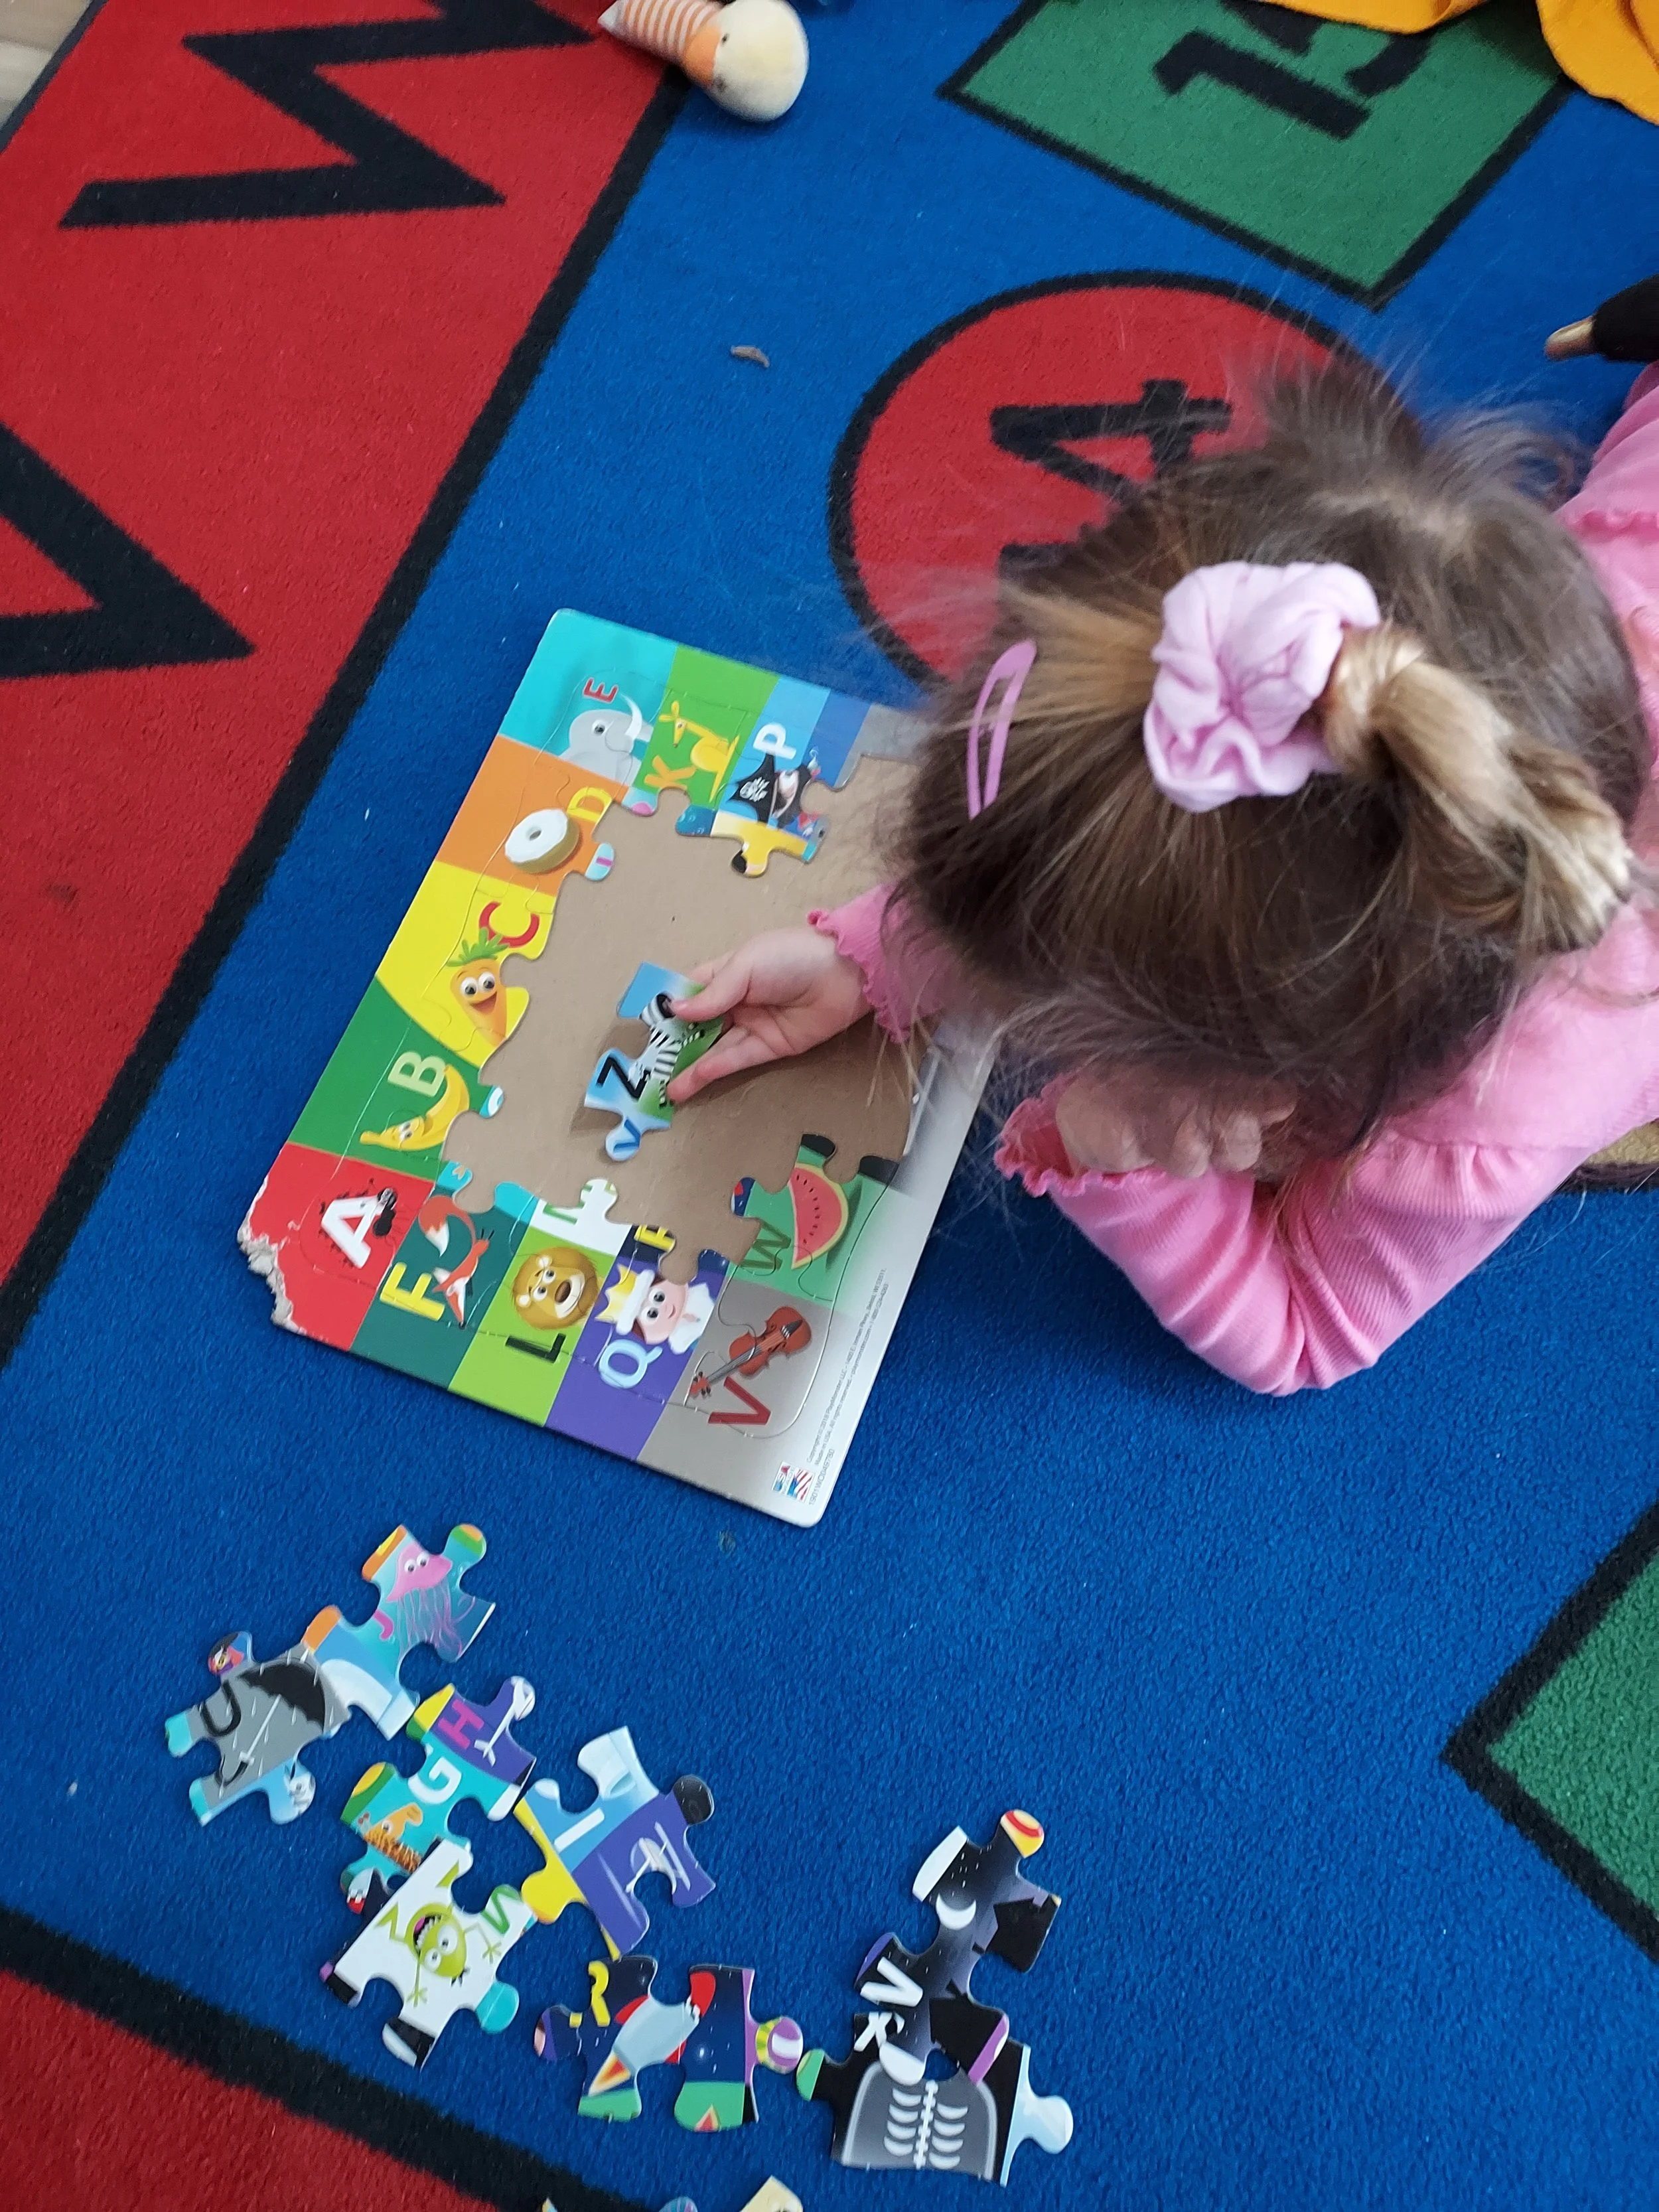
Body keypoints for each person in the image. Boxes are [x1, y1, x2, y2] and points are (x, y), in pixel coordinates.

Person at [667, 366, 1659, 1393]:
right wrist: (873, 955)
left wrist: (1115, 1149)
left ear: (1278, 1095)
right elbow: (1133, 847)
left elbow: (1303, 1338)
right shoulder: (1437, 626)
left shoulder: (1482, 1133)